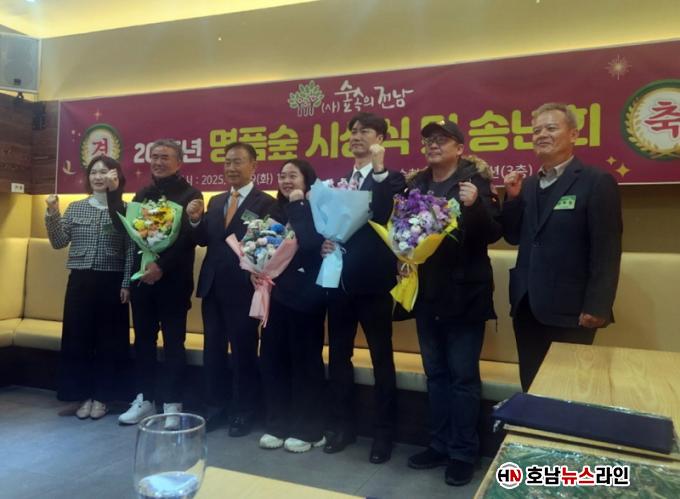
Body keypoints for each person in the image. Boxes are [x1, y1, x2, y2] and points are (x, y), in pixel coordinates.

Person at [381, 121, 502, 486]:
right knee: (436, 375)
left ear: (459, 148)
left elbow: (493, 233)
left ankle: (463, 453)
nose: (433, 145)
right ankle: (438, 444)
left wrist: (475, 205)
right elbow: (402, 231)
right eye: (428, 141)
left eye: (441, 140)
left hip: (465, 295)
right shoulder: (416, 185)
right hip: (426, 294)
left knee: (463, 378)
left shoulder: (474, 183)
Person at [502, 102, 622, 391]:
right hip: (527, 305)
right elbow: (513, 237)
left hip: (572, 311)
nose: (542, 135)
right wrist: (513, 199)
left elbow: (607, 249)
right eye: (536, 131)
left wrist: (598, 305)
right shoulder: (528, 185)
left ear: (574, 134)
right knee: (532, 387)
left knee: (567, 389)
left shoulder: (596, 181)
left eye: (551, 128)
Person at [322, 112, 406, 464]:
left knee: (381, 357)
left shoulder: (394, 178)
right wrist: (325, 242)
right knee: (338, 355)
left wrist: (380, 170)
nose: (356, 136)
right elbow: (327, 224)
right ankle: (343, 426)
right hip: (339, 281)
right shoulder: (338, 182)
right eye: (353, 132)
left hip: (375, 281)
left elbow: (385, 214)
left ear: (380, 138)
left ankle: (384, 433)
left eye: (365, 131)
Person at [187, 141, 276, 437]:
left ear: (254, 166)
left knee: (243, 351)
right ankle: (215, 407)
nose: (231, 168)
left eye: (238, 162)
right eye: (227, 162)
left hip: (244, 287)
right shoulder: (215, 201)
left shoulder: (266, 203)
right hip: (212, 285)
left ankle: (244, 410)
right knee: (212, 350)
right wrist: (195, 220)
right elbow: (204, 240)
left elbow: (271, 245)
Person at [112, 139, 203, 425]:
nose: (158, 162)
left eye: (165, 157)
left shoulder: (191, 194)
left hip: (174, 281)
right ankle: (145, 399)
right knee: (143, 341)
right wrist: (115, 195)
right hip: (143, 281)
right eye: (155, 157)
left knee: (174, 342)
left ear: (179, 163)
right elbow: (131, 234)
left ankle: (172, 403)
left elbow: (188, 239)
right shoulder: (143, 194)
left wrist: (161, 266)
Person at [45, 155, 133, 420]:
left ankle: (104, 397)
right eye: (94, 172)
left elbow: (131, 249)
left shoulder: (125, 209)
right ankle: (80, 395)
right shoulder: (75, 207)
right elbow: (59, 242)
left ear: (115, 176)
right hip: (81, 280)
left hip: (112, 281)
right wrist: (52, 212)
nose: (98, 177)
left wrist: (127, 283)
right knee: (77, 338)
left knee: (110, 340)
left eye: (104, 172)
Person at [257, 159, 328, 453]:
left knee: (305, 364)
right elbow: (260, 247)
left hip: (306, 298)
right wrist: (254, 268)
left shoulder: (318, 207)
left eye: (293, 176)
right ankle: (277, 424)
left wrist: (299, 204)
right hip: (274, 297)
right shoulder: (274, 210)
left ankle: (310, 429)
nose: (286, 181)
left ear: (307, 180)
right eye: (283, 176)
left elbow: (311, 243)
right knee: (273, 360)